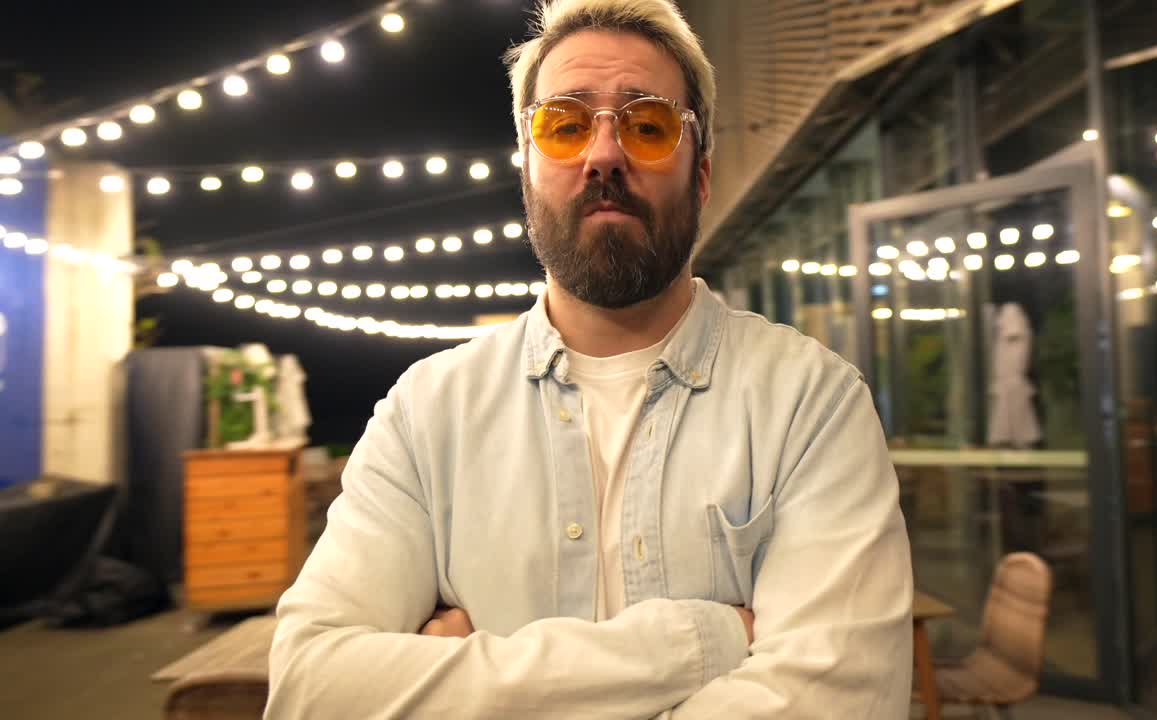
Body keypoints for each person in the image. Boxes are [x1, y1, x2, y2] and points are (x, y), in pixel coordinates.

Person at [265, 0, 913, 716]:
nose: (605, 155)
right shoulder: (426, 414)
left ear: (700, 176)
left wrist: (458, 685)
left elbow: (843, 702)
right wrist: (702, 643)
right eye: (567, 125)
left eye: (647, 124)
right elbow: (311, 689)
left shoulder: (811, 404)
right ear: (529, 171)